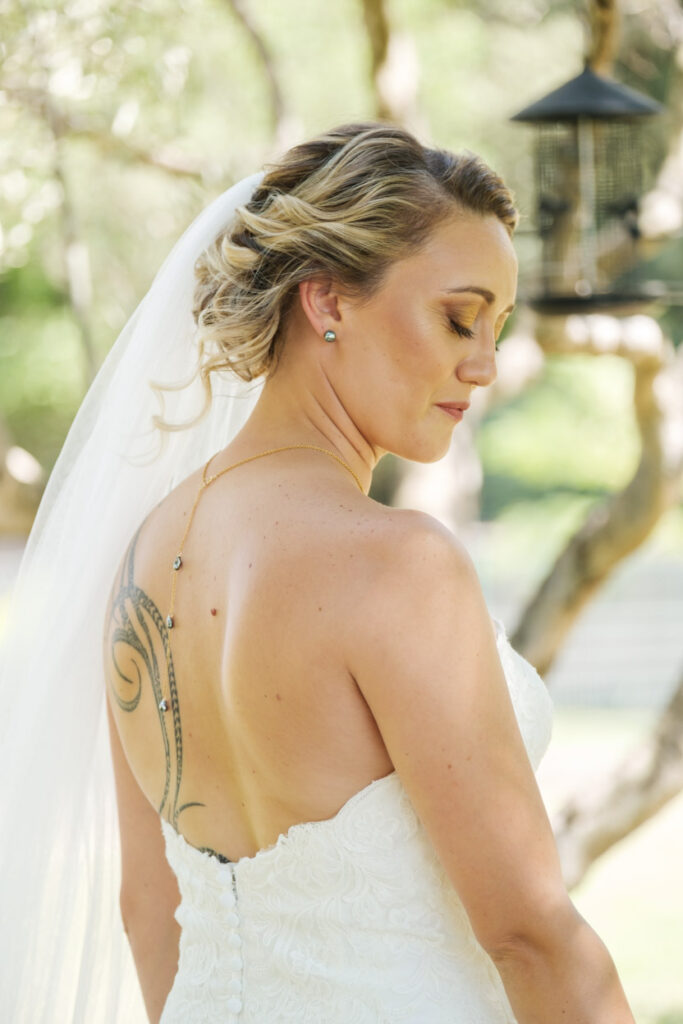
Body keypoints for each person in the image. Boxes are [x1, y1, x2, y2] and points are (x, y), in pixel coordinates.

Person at [0, 123, 635, 1024]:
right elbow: (529, 935)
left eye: (495, 328)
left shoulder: (144, 557)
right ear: (328, 301)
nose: (484, 364)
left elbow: (151, 915)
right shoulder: (398, 565)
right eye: (459, 317)